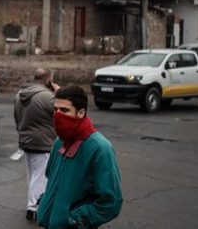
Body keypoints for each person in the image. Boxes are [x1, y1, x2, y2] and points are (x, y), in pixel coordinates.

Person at [37, 86, 123, 229]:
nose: (58, 115)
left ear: (81, 112)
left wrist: (73, 219)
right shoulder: (59, 142)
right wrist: (44, 203)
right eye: (55, 109)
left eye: (64, 110)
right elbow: (52, 179)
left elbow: (110, 203)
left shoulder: (100, 148)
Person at [12, 68, 58, 222]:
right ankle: (34, 208)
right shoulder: (47, 96)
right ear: (48, 80)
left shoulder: (19, 94)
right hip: (43, 142)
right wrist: (58, 92)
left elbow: (17, 118)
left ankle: (33, 205)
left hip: (26, 141)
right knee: (40, 177)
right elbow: (63, 111)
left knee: (33, 175)